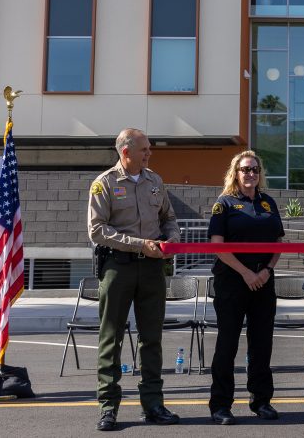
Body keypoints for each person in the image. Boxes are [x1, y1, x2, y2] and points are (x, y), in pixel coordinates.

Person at [88, 128, 181, 431]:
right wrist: (140, 244)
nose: (149, 154)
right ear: (126, 152)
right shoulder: (104, 184)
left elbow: (168, 218)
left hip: (153, 270)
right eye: (144, 149)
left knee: (151, 338)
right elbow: (97, 230)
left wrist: (173, 239)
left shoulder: (155, 181)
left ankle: (153, 404)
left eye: (149, 149)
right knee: (110, 338)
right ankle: (108, 407)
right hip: (118, 267)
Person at [207, 150, 285, 426]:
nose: (250, 174)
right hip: (232, 282)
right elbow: (217, 245)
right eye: (245, 169)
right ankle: (220, 405)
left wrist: (265, 271)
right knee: (227, 345)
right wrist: (246, 273)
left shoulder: (268, 203)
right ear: (235, 173)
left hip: (263, 282)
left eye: (254, 169)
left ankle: (261, 400)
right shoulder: (225, 204)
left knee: (262, 344)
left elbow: (278, 242)